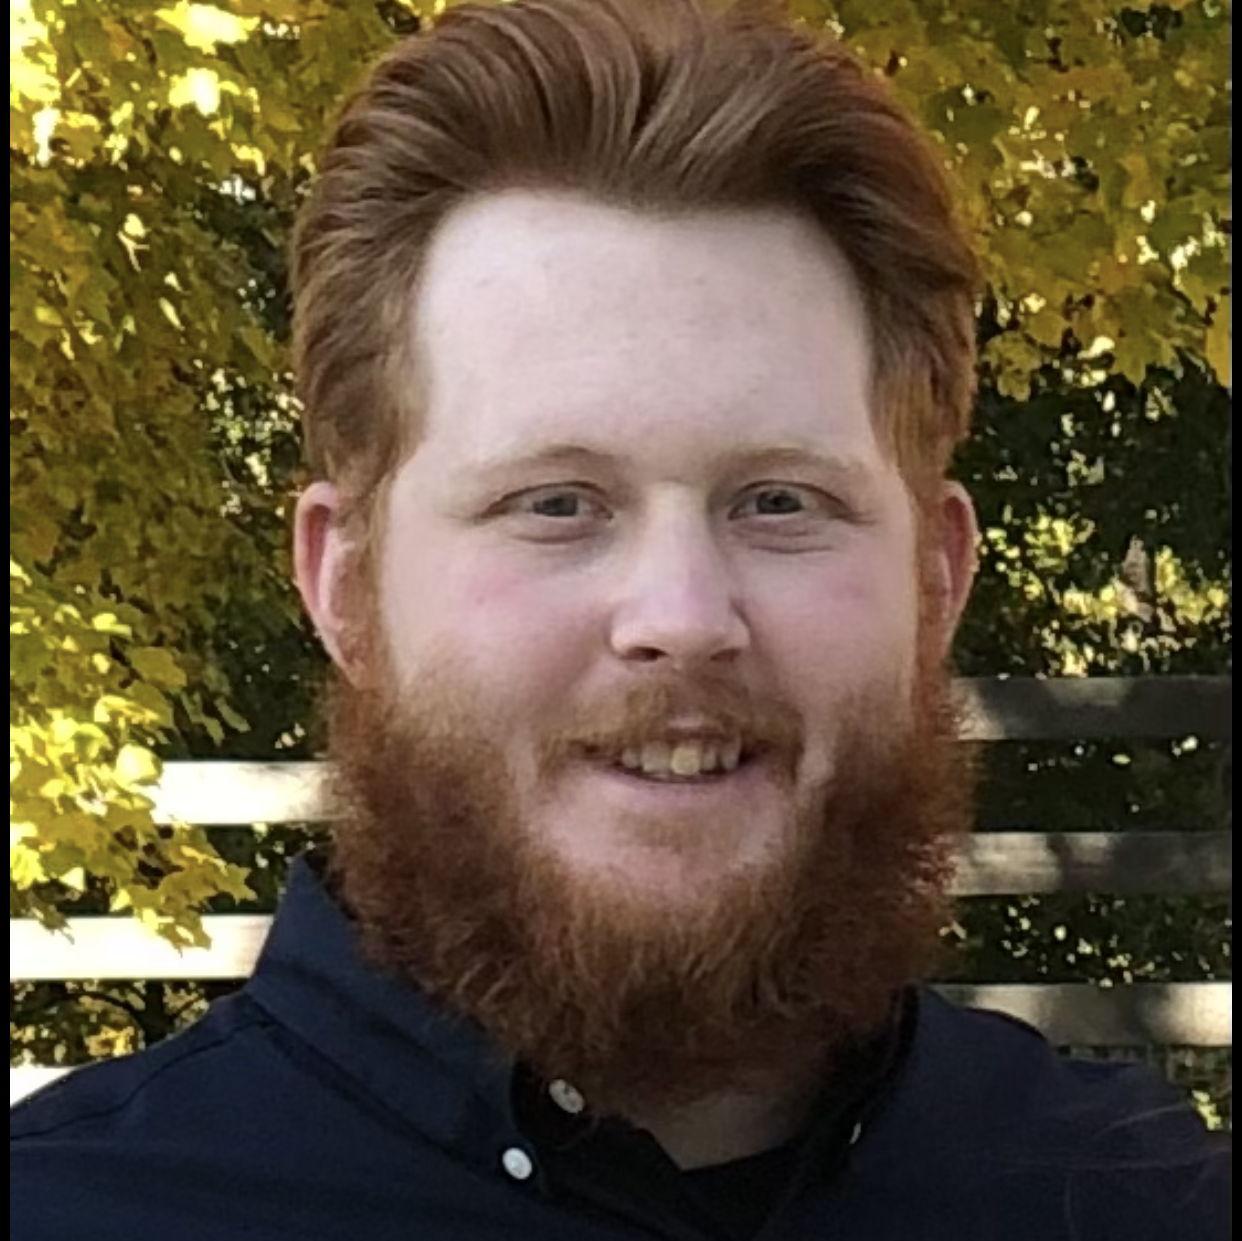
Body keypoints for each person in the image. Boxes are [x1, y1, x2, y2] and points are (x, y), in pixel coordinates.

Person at [10, 1, 1227, 1237]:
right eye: (556, 502)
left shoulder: (1143, 1203)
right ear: (345, 585)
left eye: (779, 500)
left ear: (936, 578)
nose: (682, 616)